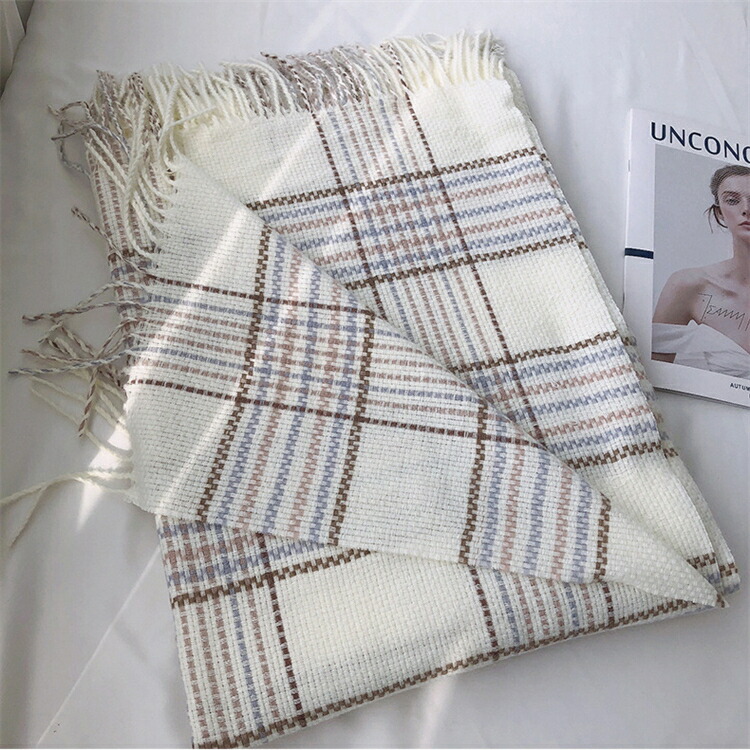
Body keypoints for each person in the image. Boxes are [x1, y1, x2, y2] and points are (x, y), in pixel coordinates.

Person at [651, 164, 750, 378]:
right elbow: (653, 379)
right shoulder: (688, 285)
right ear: (720, 213)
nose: (746, 209)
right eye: (732, 200)